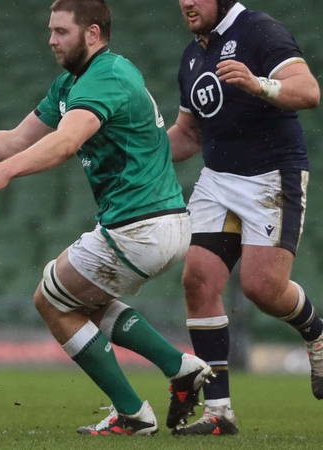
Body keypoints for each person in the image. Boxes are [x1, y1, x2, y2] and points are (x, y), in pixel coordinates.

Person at [0, 0, 212, 436]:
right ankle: (179, 367)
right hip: (158, 223)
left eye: (61, 31)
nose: (51, 39)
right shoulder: (72, 83)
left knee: (51, 301)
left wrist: (5, 173)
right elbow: (14, 139)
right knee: (82, 300)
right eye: (50, 30)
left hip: (141, 226)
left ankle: (132, 413)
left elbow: (66, 143)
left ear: (93, 34)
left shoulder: (107, 77)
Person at [167, 0, 322, 436]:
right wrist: (142, 154)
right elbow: (189, 133)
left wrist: (259, 85)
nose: (187, 2)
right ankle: (219, 413)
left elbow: (309, 91)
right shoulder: (193, 54)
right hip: (218, 178)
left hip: (272, 174)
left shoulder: (260, 30)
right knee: (197, 279)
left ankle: (317, 332)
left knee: (262, 288)